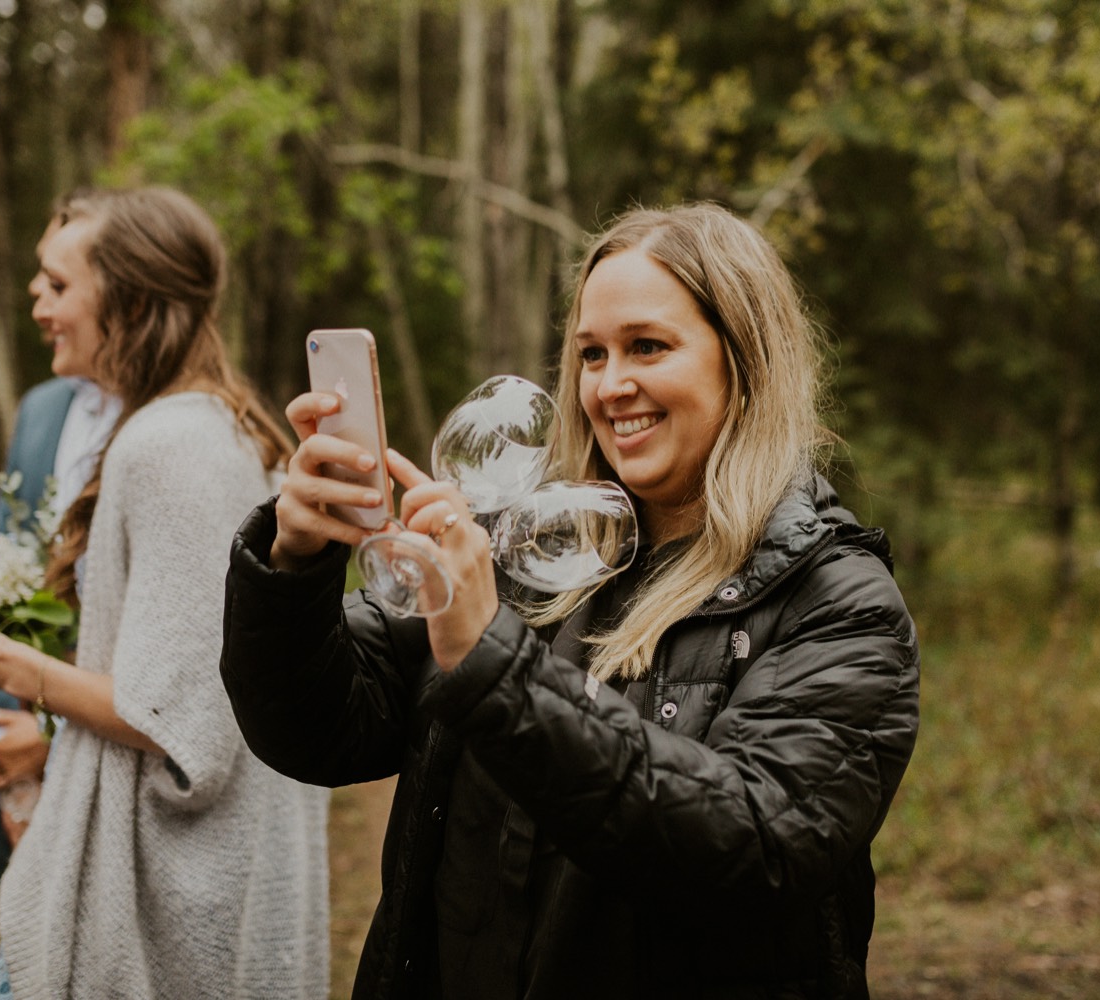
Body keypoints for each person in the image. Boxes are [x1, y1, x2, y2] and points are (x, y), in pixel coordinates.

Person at [219, 202, 921, 999]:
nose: (611, 385)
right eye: (591, 353)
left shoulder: (836, 600)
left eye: (647, 347)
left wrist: (495, 665)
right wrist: (294, 558)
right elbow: (317, 726)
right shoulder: (526, 552)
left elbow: (752, 847)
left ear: (743, 359)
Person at [0, 186, 331, 999]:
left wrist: (2, 661)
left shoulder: (171, 445)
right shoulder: (205, 424)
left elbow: (172, 717)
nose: (38, 300)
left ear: (130, 302)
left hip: (155, 914)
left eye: (59, 285)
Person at [0, 192, 122, 888]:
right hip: (21, 769)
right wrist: (10, 755)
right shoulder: (39, 412)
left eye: (56, 284)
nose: (36, 298)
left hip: (121, 781)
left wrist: (54, 744)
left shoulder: (177, 430)